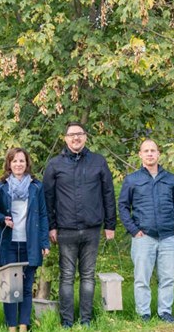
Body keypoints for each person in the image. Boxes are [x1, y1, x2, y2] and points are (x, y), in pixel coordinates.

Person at [44, 122, 117, 328]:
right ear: (65, 138)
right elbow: (47, 198)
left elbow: (108, 194)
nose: (76, 138)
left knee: (88, 276)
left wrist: (110, 224)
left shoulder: (98, 162)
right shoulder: (55, 165)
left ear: (85, 137)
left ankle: (86, 320)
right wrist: (51, 225)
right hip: (65, 230)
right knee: (66, 276)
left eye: (80, 134)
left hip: (92, 229)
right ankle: (67, 321)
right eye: (71, 135)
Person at [119, 139, 174, 323]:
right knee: (142, 279)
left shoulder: (169, 178)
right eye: (146, 151)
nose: (150, 154)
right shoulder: (132, 179)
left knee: (167, 278)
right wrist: (134, 230)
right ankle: (143, 314)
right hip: (144, 237)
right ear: (140, 155)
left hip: (168, 237)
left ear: (159, 154)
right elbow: (123, 207)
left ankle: (165, 312)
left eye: (153, 150)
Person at [0, 148, 50, 332]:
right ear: (9, 164)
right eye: (14, 161)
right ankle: (11, 326)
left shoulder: (36, 186)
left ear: (27, 164)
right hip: (8, 244)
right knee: (9, 288)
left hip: (29, 243)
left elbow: (42, 215)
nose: (18, 164)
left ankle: (24, 325)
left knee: (26, 287)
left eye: (22, 161)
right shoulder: (1, 187)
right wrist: (3, 220)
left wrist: (44, 243)